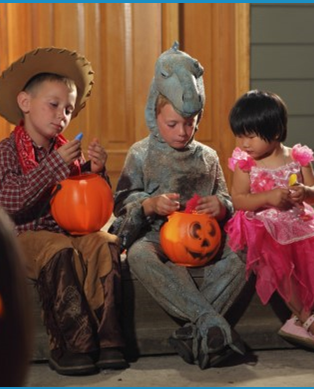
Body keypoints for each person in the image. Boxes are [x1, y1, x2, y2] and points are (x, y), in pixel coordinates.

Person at [0, 47, 127, 376]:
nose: (62, 115)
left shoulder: (67, 154)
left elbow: (89, 206)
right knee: (57, 247)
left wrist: (96, 171)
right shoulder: (7, 150)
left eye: (68, 109)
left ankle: (109, 340)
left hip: (69, 233)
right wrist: (55, 165)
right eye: (53, 105)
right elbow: (10, 201)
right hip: (25, 238)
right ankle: (70, 343)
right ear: (25, 103)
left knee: (105, 242)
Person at [110, 43, 246, 370]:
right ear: (154, 116)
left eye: (190, 123)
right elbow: (121, 206)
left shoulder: (208, 157)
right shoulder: (140, 154)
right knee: (140, 255)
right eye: (172, 124)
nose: (182, 132)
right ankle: (208, 320)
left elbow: (226, 198)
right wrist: (149, 205)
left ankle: (194, 330)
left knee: (245, 252)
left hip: (203, 235)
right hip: (157, 235)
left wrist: (222, 206)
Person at [225, 90, 314, 353]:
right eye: (239, 134)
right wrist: (268, 197)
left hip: (296, 220)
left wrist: (305, 193)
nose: (244, 143)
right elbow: (237, 199)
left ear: (277, 132)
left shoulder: (297, 157)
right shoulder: (245, 163)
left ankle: (295, 321)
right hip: (261, 222)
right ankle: (309, 318)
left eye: (251, 135)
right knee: (275, 262)